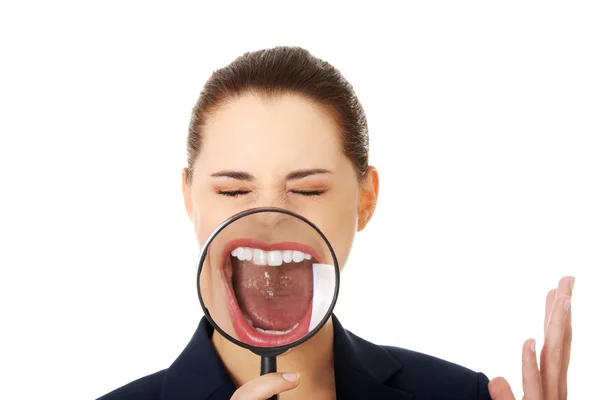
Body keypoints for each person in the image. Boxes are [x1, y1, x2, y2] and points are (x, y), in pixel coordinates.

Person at [98, 46, 574, 400]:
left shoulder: (456, 395)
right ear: (189, 198)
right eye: (233, 191)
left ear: (365, 199)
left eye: (307, 190)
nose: (268, 221)